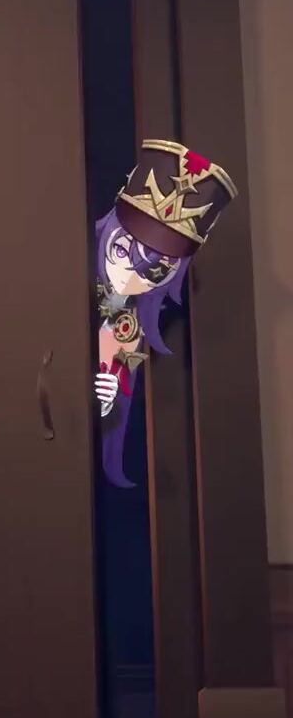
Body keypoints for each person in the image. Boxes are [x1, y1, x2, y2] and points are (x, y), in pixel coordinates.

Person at [94, 139, 237, 487]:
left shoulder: (131, 323)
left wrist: (107, 400)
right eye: (123, 249)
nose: (131, 272)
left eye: (155, 270)